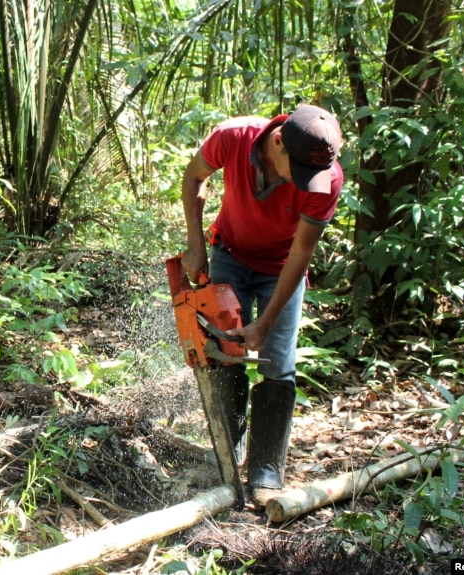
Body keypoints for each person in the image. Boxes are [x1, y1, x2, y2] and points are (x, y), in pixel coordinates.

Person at [180, 103, 343, 508]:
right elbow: (193, 177)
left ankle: (266, 474)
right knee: (225, 355)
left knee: (277, 366)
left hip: (281, 269)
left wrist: (266, 324)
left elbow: (301, 253)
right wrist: (196, 244)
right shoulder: (233, 138)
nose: (308, 184)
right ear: (277, 143)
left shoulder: (327, 179)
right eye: (301, 172)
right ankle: (227, 462)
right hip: (230, 253)